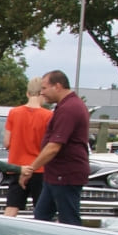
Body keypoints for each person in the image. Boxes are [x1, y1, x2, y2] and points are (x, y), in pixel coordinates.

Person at [21, 70, 89, 226]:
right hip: (55, 175)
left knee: (69, 220)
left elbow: (54, 146)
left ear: (57, 86)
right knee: (41, 217)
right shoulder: (64, 106)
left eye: (44, 88)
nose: (42, 93)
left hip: (66, 175)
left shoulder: (69, 108)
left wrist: (30, 169)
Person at [2, 76, 51, 216]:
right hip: (39, 168)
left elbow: (6, 142)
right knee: (41, 208)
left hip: (17, 166)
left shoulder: (14, 113)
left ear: (27, 93)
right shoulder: (48, 116)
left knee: (12, 207)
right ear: (42, 93)